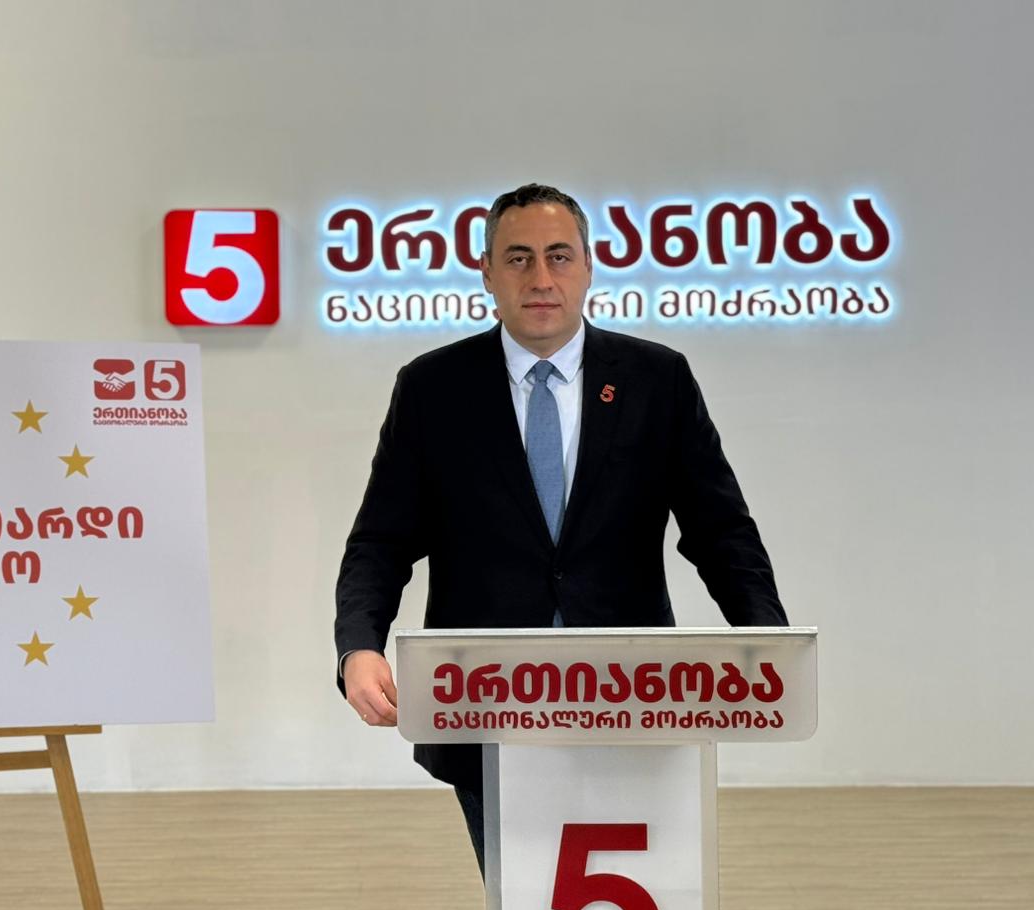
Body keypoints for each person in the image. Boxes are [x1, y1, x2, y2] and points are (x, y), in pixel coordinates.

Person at [333, 183, 787, 874]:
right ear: (487, 273)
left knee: (630, 904)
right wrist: (357, 646)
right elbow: (381, 541)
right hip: (485, 706)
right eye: (518, 258)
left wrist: (767, 638)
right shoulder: (433, 388)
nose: (541, 278)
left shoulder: (657, 380)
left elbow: (721, 529)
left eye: (559, 256)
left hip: (631, 699)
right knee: (520, 907)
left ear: (589, 267)